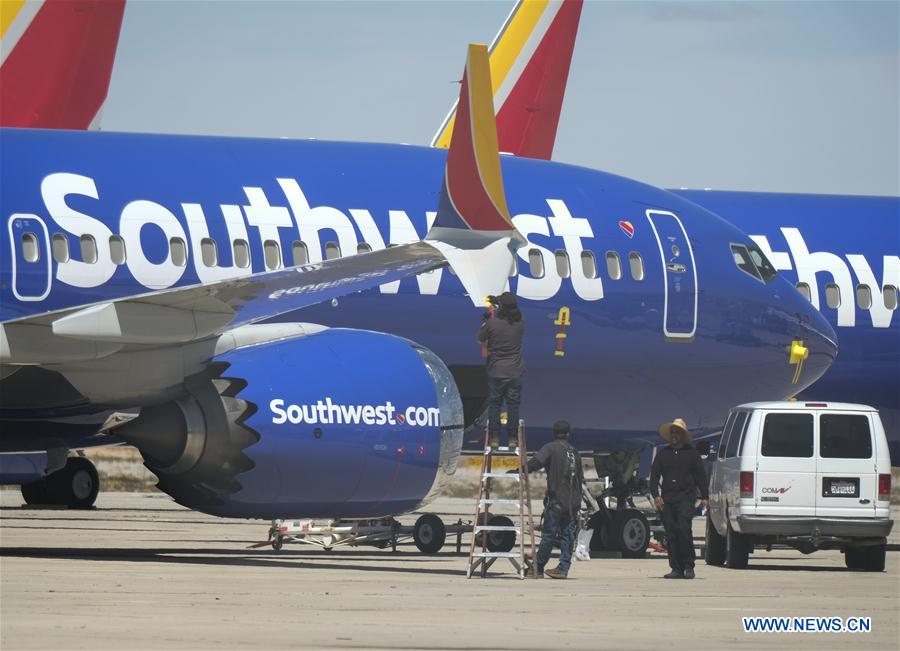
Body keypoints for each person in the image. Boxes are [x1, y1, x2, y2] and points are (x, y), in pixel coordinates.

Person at [649, 418, 709, 579]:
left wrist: (705, 497)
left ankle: (689, 566)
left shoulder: (692, 454)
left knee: (683, 529)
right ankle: (676, 568)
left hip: (686, 498)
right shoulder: (663, 454)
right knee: (671, 533)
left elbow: (701, 477)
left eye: (677, 433)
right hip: (668, 499)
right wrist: (656, 495)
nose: (674, 435)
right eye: (672, 433)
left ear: (683, 435)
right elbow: (654, 477)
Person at [526, 420, 584, 579]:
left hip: (557, 500)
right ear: (568, 433)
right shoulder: (574, 452)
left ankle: (538, 567)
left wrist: (520, 470)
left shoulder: (550, 448)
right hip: (573, 502)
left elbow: (536, 463)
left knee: (549, 536)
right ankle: (563, 568)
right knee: (568, 537)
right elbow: (580, 479)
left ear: (554, 433)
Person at [476, 291, 524, 449]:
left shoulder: (492, 323)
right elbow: (510, 314)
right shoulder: (520, 323)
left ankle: (495, 438)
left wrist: (486, 322)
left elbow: (480, 339)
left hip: (496, 371)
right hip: (515, 372)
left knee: (495, 405)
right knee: (513, 406)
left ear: (501, 308)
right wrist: (499, 304)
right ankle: (512, 438)